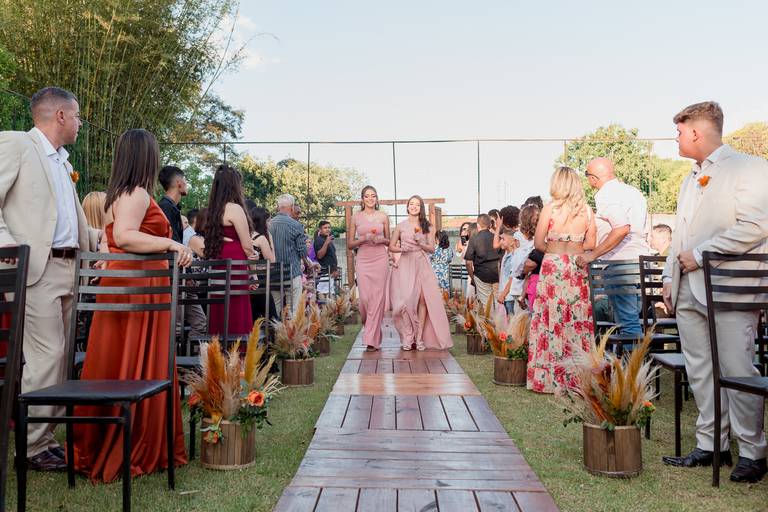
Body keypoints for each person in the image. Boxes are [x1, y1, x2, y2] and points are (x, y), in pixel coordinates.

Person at [73, 128, 191, 482]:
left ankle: (112, 436)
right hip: (137, 287)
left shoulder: (118, 193)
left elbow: (112, 239)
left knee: (120, 360)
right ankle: (134, 441)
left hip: (129, 284)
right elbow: (124, 236)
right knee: (134, 361)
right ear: (146, 157)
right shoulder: (136, 193)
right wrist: (171, 244)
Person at [660, 101, 768, 482]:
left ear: (696, 132)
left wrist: (701, 254)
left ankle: (753, 451)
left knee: (737, 367)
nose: (676, 138)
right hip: (688, 288)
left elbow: (756, 226)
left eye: (679, 131)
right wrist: (669, 276)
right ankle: (711, 444)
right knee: (700, 368)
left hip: (730, 288)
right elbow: (681, 231)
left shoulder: (749, 168)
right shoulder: (689, 178)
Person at [0, 87, 100, 471]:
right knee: (47, 355)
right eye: (77, 116)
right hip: (36, 268)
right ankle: (30, 448)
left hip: (69, 267)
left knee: (61, 359)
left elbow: (69, 219)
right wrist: (9, 246)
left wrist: (100, 240)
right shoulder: (18, 145)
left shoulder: (61, 161)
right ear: (60, 116)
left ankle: (45, 439)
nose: (80, 124)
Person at [527, 167, 596, 394]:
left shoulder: (550, 209)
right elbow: (591, 244)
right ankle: (578, 379)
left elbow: (538, 243)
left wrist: (556, 249)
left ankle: (548, 378)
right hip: (576, 267)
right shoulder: (587, 211)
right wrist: (574, 248)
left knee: (550, 319)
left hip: (553, 266)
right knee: (577, 319)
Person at [575, 157, 649, 336]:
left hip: (621, 263)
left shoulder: (606, 194)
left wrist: (593, 254)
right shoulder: (633, 192)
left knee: (628, 324)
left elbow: (621, 228)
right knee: (634, 320)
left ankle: (633, 355)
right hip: (641, 262)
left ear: (593, 179)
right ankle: (638, 353)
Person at [389, 195, 452, 351]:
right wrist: (402, 248)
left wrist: (420, 242)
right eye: (411, 204)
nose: (414, 206)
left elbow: (432, 249)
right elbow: (391, 246)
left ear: (421, 208)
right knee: (407, 301)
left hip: (422, 263)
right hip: (406, 263)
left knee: (423, 300)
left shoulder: (427, 226)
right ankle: (408, 336)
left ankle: (419, 337)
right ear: (407, 206)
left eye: (417, 204)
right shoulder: (400, 226)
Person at [204, 165, 255, 336]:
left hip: (218, 261)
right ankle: (238, 349)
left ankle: (217, 348)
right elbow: (247, 246)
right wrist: (254, 269)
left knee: (219, 306)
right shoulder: (235, 208)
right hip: (235, 263)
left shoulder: (212, 210)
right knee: (236, 306)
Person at [348, 186, 390, 351]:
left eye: (373, 196)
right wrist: (363, 238)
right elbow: (350, 244)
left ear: (377, 198)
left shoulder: (383, 216)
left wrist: (381, 240)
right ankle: (372, 330)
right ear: (362, 199)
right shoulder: (355, 217)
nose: (370, 199)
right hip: (363, 260)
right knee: (365, 300)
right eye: (367, 196)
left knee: (377, 299)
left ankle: (371, 340)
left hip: (380, 259)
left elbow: (390, 241)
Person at [269, 194, 309, 314]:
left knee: (275, 310)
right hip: (292, 273)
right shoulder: (296, 225)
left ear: (278, 207)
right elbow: (302, 251)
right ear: (291, 207)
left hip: (273, 273)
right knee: (293, 311)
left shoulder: (269, 224)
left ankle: (275, 326)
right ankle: (291, 327)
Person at [247, 205, 278, 322]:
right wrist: (271, 241)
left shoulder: (245, 236)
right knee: (272, 317)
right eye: (268, 220)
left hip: (247, 279)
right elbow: (272, 261)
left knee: (254, 315)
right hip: (260, 281)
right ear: (262, 222)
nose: (270, 223)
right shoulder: (261, 238)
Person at [464, 214, 500, 306]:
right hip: (497, 275)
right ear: (490, 225)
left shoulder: (474, 239)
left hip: (481, 275)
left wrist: (472, 277)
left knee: (486, 305)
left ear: (478, 225)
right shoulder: (497, 238)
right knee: (498, 303)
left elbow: (468, 262)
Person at [157, 165, 187, 244]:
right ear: (179, 183)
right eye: (185, 180)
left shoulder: (171, 207)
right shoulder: (165, 207)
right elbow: (172, 241)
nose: (186, 184)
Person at [497, 229, 520, 314]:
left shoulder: (514, 257)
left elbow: (512, 278)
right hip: (505, 296)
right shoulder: (506, 254)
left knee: (511, 318)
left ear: (512, 242)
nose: (501, 242)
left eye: (503, 239)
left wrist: (503, 294)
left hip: (510, 296)